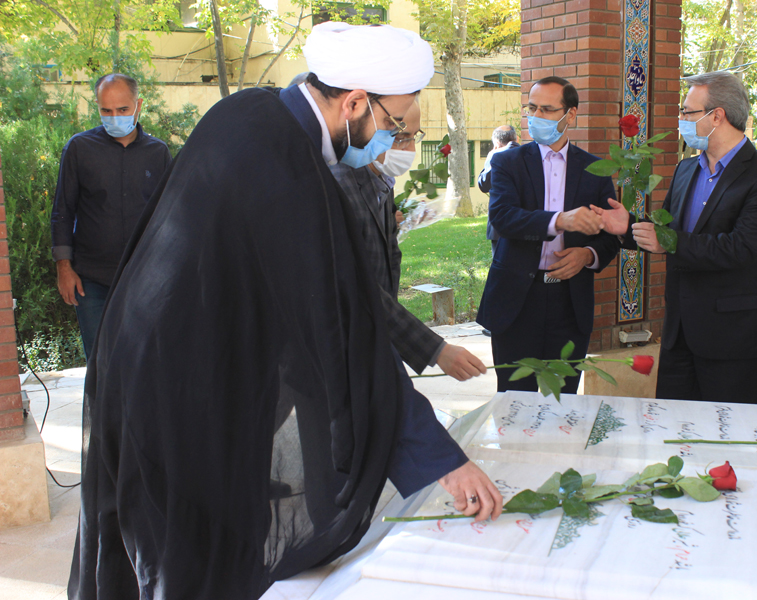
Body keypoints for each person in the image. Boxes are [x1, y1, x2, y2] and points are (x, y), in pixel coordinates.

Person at [69, 23, 502, 600]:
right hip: (178, 384)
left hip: (150, 356)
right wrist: (439, 460)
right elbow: (344, 330)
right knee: (190, 557)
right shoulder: (287, 168)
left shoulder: (252, 111)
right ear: (354, 103)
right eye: (394, 124)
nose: (392, 141)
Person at [627, 71, 757, 404]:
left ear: (717, 116)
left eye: (687, 112)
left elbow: (741, 248)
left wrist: (668, 242)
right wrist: (623, 226)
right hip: (679, 332)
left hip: (731, 336)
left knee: (725, 430)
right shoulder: (686, 169)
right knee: (672, 426)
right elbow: (665, 232)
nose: (681, 120)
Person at [476, 76, 634, 395]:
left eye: (547, 109)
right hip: (518, 300)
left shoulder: (595, 169)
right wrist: (560, 220)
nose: (537, 116)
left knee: (562, 399)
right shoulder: (508, 162)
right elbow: (502, 218)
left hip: (569, 302)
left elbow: (610, 232)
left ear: (570, 114)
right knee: (514, 400)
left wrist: (587, 256)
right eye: (532, 108)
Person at [331, 100, 487, 379]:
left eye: (414, 137)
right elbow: (356, 285)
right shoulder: (341, 184)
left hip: (373, 341)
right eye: (400, 137)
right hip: (342, 349)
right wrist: (436, 350)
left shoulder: (381, 181)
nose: (409, 149)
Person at [51, 73, 171, 361]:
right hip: (91, 281)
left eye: (122, 109)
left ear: (138, 105)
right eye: (106, 110)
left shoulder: (158, 153)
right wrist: (64, 269)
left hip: (143, 278)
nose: (114, 117)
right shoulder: (79, 149)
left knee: (143, 362)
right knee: (100, 363)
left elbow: (168, 216)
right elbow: (62, 211)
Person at [480, 125, 519, 253]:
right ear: (517, 139)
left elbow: (484, 185)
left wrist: (490, 157)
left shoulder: (495, 155)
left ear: (496, 143)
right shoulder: (529, 155)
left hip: (500, 221)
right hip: (525, 220)